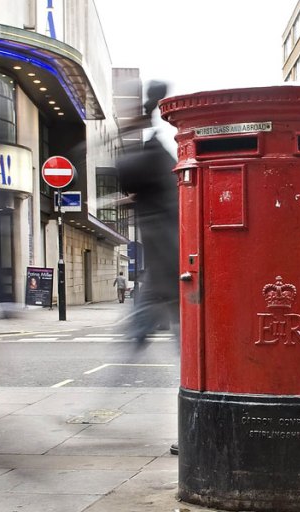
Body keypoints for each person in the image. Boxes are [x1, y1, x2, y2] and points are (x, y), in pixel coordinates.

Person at [116, 81, 180, 346]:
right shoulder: (164, 163)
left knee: (179, 329)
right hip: (169, 258)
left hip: (167, 258)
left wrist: (134, 126)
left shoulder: (152, 156)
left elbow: (127, 171)